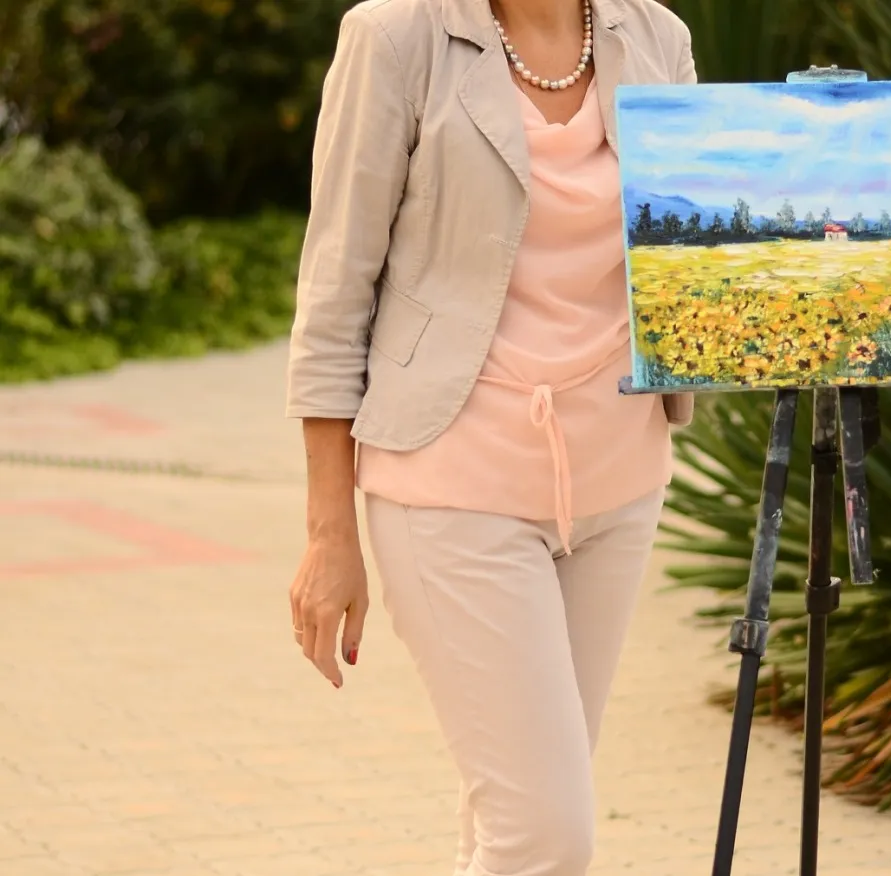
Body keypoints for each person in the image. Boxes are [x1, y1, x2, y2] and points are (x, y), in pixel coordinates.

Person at [284, 0, 697, 872]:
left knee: (515, 818)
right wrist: (329, 533)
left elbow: (691, 252)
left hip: (620, 485)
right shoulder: (396, 37)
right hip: (453, 485)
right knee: (545, 833)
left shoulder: (657, 36)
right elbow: (335, 292)